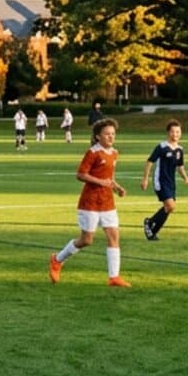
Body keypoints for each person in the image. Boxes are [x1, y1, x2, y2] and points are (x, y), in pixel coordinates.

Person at [49, 119, 130, 287]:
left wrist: (117, 188)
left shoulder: (114, 153)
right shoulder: (93, 153)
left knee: (114, 236)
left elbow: (110, 178)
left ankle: (114, 277)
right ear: (98, 136)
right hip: (90, 202)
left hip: (108, 202)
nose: (111, 137)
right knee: (86, 240)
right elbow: (80, 174)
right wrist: (101, 182)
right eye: (107, 134)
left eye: (113, 134)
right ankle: (57, 259)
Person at [141, 120, 188, 241]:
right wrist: (145, 179)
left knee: (169, 208)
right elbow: (150, 162)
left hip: (171, 182)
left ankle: (152, 231)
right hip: (160, 181)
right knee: (170, 206)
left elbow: (180, 166)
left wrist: (185, 177)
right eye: (172, 132)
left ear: (181, 133)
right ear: (168, 133)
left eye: (178, 132)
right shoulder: (162, 147)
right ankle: (149, 222)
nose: (175, 134)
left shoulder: (179, 150)